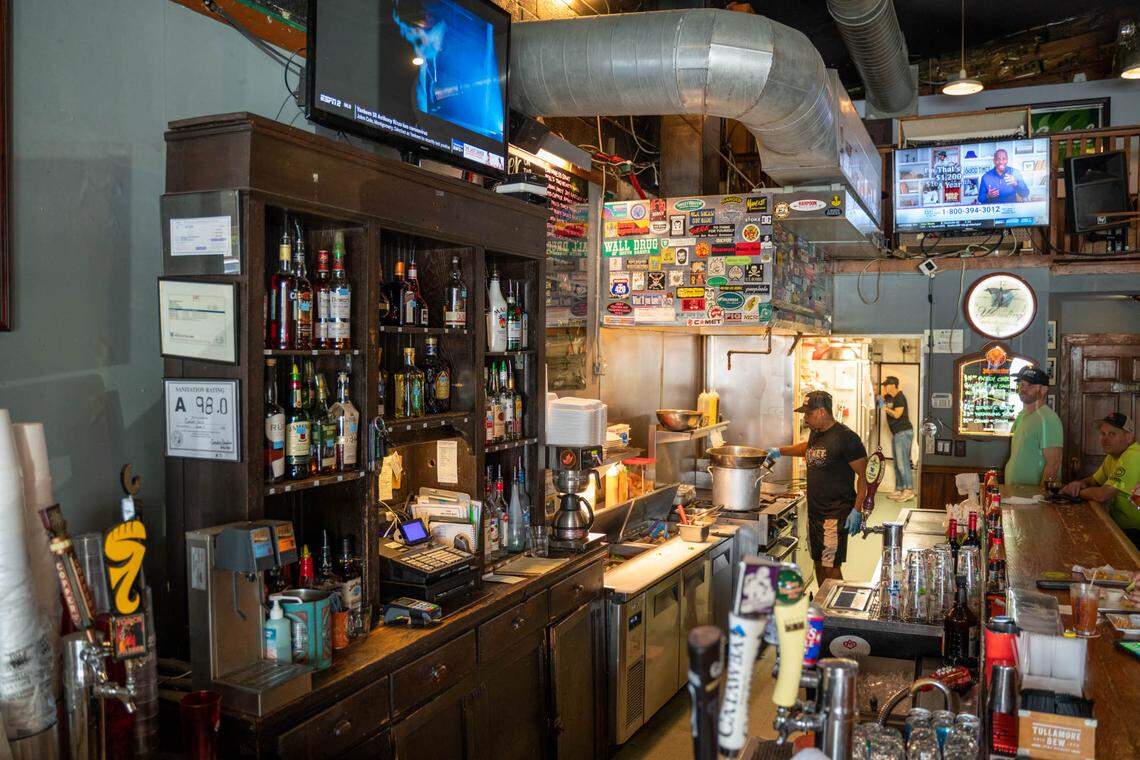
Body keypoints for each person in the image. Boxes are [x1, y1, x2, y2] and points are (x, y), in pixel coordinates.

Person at [767, 390, 868, 582]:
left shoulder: (847, 438)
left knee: (830, 567)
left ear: (821, 412)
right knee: (819, 563)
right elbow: (808, 449)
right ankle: (823, 607)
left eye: (808, 413)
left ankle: (835, 611)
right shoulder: (816, 432)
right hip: (815, 513)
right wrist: (780, 451)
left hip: (834, 514)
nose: (805, 418)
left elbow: (865, 475)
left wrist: (858, 508)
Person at [1061, 413, 1140, 547]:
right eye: (1102, 434)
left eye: (1112, 434)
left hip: (1135, 532)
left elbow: (1102, 495)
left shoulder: (1133, 456)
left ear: (1129, 437)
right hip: (1122, 528)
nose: (1105, 439)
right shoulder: (1113, 455)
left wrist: (1074, 492)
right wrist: (1080, 483)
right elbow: (1094, 480)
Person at [1004, 366, 1062, 486]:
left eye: (1029, 385)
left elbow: (1054, 463)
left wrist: (1041, 497)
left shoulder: (1048, 419)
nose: (1023, 388)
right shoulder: (1022, 415)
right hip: (1015, 494)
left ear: (1044, 389)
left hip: (1032, 499)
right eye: (1021, 384)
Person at [878, 377, 914, 502]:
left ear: (893, 385)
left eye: (886, 385)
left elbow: (897, 414)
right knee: (897, 463)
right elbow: (881, 400)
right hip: (897, 434)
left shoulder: (899, 397)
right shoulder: (890, 398)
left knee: (902, 463)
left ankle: (908, 490)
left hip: (903, 432)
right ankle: (899, 489)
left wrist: (884, 408)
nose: (884, 387)